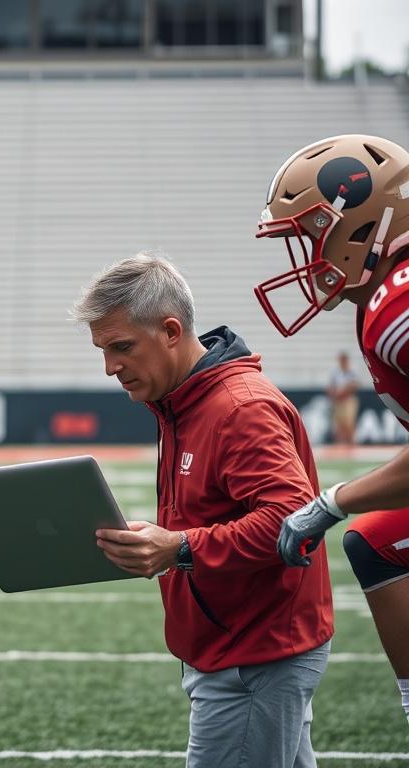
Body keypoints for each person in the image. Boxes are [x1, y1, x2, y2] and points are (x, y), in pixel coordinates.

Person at [73, 253, 334, 768]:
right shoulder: (183, 400)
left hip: (254, 655)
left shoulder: (238, 407)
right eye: (102, 351)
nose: (110, 367)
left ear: (171, 331)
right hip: (240, 646)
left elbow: (295, 522)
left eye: (122, 347)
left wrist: (180, 546)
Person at [257, 134, 409, 726]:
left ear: (362, 225)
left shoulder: (396, 306)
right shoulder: (386, 299)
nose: (305, 256)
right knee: (376, 543)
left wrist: (331, 501)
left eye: (311, 234)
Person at [327, 352, 360, 445]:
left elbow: (355, 385)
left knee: (349, 423)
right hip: (338, 401)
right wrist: (333, 394)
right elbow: (330, 386)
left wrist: (344, 391)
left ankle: (352, 443)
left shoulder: (352, 371)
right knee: (338, 424)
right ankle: (340, 445)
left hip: (348, 400)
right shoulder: (335, 372)